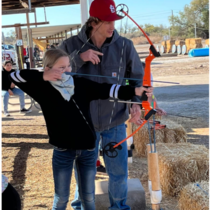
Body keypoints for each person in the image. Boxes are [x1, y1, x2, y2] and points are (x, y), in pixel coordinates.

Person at [9, 49, 153, 210]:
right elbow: (15, 76)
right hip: (63, 151)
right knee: (61, 198)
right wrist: (43, 76)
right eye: (61, 67)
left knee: (89, 198)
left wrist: (136, 92)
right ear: (48, 68)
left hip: (88, 149)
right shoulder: (41, 88)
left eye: (69, 66)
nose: (67, 71)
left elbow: (107, 90)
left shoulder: (79, 83)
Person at [59, 0, 144, 209]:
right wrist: (78, 58)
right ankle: (81, 206)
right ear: (93, 22)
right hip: (83, 123)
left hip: (114, 122)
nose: (112, 26)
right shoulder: (69, 46)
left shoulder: (125, 46)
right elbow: (52, 74)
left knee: (118, 172)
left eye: (114, 20)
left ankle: (119, 207)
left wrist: (135, 103)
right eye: (107, 21)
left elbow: (136, 80)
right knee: (84, 172)